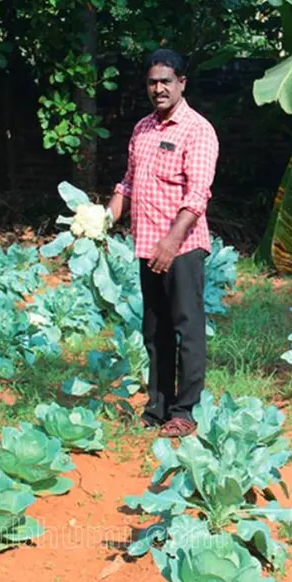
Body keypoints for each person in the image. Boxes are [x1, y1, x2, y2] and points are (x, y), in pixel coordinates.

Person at [108, 48, 219, 438]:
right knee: (154, 329)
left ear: (182, 83)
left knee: (187, 329)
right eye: (152, 82)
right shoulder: (142, 129)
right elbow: (127, 183)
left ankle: (184, 411)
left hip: (182, 247)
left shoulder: (198, 130)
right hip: (147, 246)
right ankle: (157, 406)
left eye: (166, 81)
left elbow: (197, 196)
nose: (158, 88)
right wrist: (102, 220)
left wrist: (171, 242)